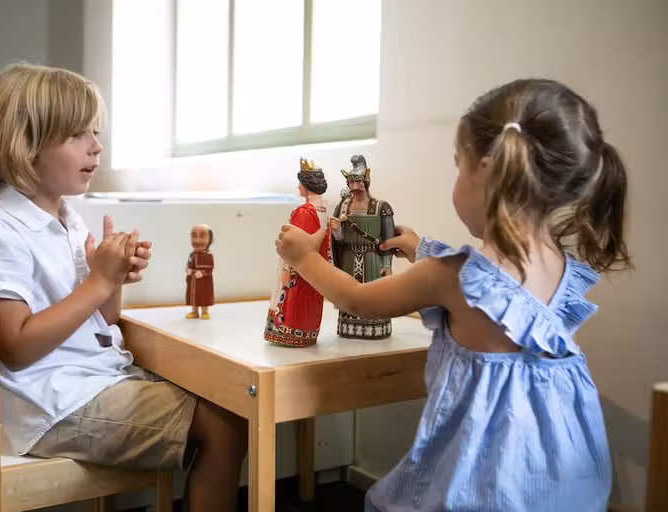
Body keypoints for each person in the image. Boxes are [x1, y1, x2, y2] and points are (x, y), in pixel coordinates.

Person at [276, 78, 629, 511]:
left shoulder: (449, 277)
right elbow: (491, 286)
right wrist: (420, 247)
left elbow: (357, 301)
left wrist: (303, 258)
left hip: (483, 483)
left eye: (458, 164)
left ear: (486, 172)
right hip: (557, 479)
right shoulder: (564, 271)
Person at [0, 63, 247, 512]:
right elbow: (14, 346)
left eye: (95, 131)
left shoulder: (64, 217)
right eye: (77, 135)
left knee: (223, 398)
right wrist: (97, 281)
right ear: (24, 146)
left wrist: (113, 278)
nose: (97, 146)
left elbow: (101, 321)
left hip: (86, 381)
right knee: (226, 425)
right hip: (51, 405)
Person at [263, 158, 331, 347]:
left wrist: (287, 268)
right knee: (310, 297)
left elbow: (295, 245)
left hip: (298, 267)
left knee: (296, 298)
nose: (298, 187)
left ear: (306, 185)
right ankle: (307, 332)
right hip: (317, 267)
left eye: (300, 182)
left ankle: (291, 333)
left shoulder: (304, 211)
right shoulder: (323, 211)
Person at [329, 155, 395, 339]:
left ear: (365, 181)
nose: (354, 185)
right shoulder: (343, 207)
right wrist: (336, 231)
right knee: (350, 294)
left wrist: (387, 264)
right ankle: (349, 324)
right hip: (349, 260)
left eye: (357, 180)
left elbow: (389, 239)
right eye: (350, 181)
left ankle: (374, 324)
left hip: (372, 259)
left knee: (373, 295)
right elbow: (339, 240)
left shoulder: (381, 207)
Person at [185, 224, 215, 320]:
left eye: (202, 236)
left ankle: (205, 311)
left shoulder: (208, 255)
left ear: (210, 240)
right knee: (193, 296)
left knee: (203, 296)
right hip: (193, 280)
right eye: (194, 236)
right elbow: (189, 263)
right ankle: (194, 311)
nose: (197, 241)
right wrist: (188, 270)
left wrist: (203, 273)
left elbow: (210, 269)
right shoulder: (192, 254)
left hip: (204, 282)